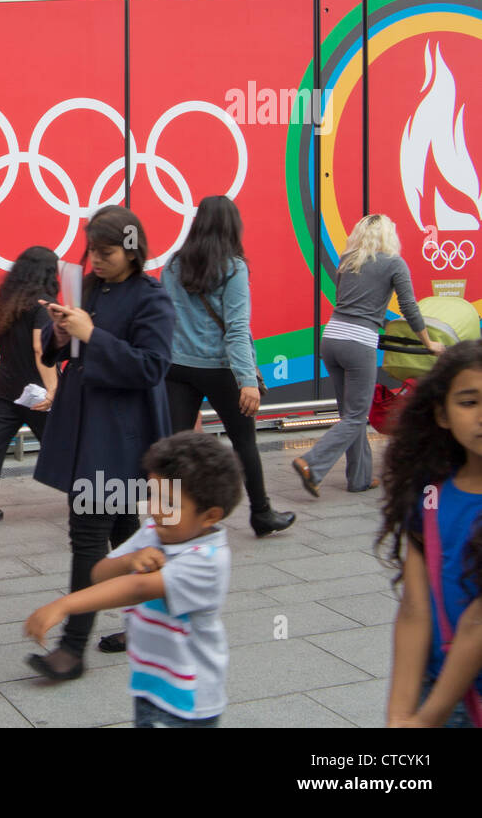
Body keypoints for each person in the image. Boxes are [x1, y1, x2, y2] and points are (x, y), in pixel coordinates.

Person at [28, 205, 175, 680]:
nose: (96, 259)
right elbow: (65, 349)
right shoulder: (89, 287)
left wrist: (93, 334)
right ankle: (155, 618)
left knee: (89, 534)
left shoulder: (152, 297)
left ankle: (71, 648)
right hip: (85, 425)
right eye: (92, 249)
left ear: (133, 251)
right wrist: (61, 331)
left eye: (107, 251)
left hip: (121, 432)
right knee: (125, 532)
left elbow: (153, 366)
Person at [25, 431, 240, 727]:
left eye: (170, 503)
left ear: (210, 516)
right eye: (153, 496)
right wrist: (128, 560)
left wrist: (65, 605)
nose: (155, 509)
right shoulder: (156, 530)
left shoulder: (207, 560)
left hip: (188, 703)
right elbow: (99, 573)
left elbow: (137, 588)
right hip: (149, 687)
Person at [162, 195, 295, 537]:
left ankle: (175, 515)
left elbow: (166, 319)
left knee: (178, 444)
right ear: (232, 227)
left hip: (177, 368)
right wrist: (247, 379)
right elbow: (236, 328)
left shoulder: (174, 265)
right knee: (243, 442)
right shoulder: (233, 267)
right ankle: (261, 513)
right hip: (220, 369)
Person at [292, 214, 443, 497]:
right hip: (359, 342)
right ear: (389, 236)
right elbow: (409, 307)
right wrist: (429, 342)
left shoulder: (347, 261)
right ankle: (310, 462)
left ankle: (359, 478)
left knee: (349, 414)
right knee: (355, 417)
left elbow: (347, 302)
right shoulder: (394, 263)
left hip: (331, 338)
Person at [380, 341, 482, 727]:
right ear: (441, 414)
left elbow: (477, 623)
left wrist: (425, 718)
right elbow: (414, 608)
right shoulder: (430, 494)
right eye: (469, 402)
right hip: (435, 687)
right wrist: (400, 714)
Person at [0, 246, 60, 522]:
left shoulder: (8, 303)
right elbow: (42, 351)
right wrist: (53, 389)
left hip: (6, 387)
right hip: (38, 391)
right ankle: (91, 497)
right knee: (63, 443)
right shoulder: (43, 305)